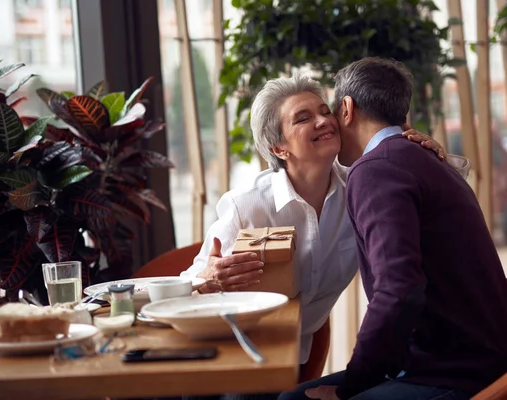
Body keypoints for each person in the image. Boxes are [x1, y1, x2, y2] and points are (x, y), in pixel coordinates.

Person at [180, 73, 452, 400]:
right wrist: (208, 278)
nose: (325, 120)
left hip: (293, 359)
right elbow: (190, 282)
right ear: (278, 147)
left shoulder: (366, 187)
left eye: (326, 111)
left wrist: (431, 156)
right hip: (228, 357)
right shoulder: (248, 204)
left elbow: (435, 207)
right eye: (304, 118)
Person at [280, 58, 507, 400]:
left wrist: (351, 387)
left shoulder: (376, 169)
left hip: (455, 375)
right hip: (476, 360)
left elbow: (398, 289)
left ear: (347, 109)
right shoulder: (420, 157)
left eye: (331, 110)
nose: (329, 123)